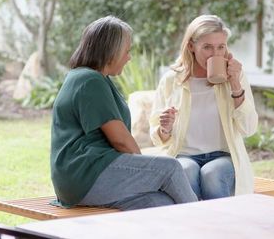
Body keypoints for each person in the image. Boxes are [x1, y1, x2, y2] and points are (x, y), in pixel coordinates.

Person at [50, 16, 198, 210]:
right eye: (126, 51)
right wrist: (145, 166)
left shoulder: (88, 77)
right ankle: (205, 223)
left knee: (160, 204)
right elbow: (120, 139)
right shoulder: (90, 80)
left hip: (82, 179)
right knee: (170, 168)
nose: (129, 57)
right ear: (110, 51)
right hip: (86, 174)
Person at [149, 15, 258, 200]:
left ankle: (217, 226)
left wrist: (235, 85)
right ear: (191, 46)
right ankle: (194, 225)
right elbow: (158, 138)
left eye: (221, 47)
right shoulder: (171, 80)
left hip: (223, 157)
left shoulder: (236, 76)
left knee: (212, 173)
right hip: (184, 155)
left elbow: (249, 129)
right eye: (207, 47)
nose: (215, 54)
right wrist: (165, 128)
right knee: (185, 170)